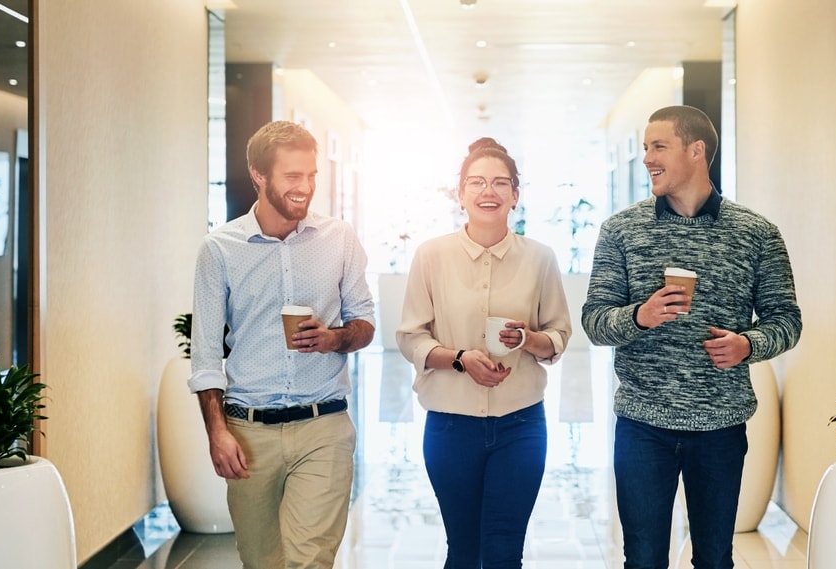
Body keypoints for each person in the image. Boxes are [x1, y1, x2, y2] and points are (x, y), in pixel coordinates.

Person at [581, 105, 802, 569]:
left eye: (658, 146)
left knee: (716, 559)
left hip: (721, 427)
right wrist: (640, 317)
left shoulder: (756, 234)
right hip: (642, 426)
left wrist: (748, 345)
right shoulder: (621, 231)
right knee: (642, 559)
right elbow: (595, 321)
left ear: (696, 150)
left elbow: (786, 321)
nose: (646, 158)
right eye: (645, 147)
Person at [188, 120, 375, 569]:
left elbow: (365, 322)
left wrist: (334, 338)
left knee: (309, 561)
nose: (306, 187)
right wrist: (217, 432)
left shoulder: (339, 239)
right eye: (293, 176)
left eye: (311, 175)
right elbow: (206, 352)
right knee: (262, 561)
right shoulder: (220, 249)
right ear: (258, 175)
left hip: (323, 424)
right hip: (250, 431)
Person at [396, 138, 572, 568]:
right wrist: (459, 358)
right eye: (476, 182)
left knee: (504, 550)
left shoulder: (540, 258)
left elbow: (560, 336)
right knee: (463, 548)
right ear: (461, 193)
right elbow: (410, 337)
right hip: (450, 427)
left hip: (522, 425)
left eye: (499, 183)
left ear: (515, 195)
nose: (487, 192)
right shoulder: (431, 256)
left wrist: (528, 339)